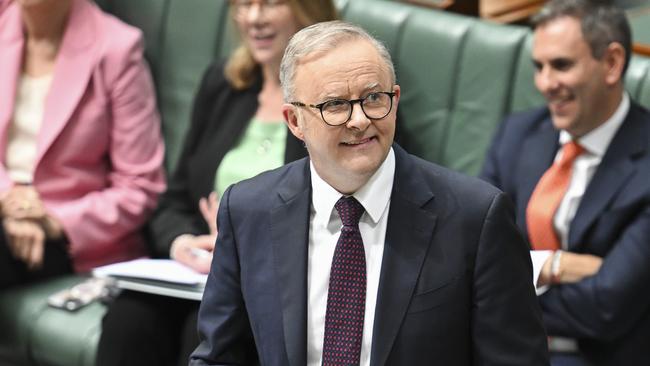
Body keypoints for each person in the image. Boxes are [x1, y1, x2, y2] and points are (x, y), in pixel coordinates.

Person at [190, 20, 549, 366]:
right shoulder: (248, 210)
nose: (359, 120)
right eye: (334, 105)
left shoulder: (476, 218)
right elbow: (220, 355)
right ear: (295, 121)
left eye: (373, 98)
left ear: (394, 99)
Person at [96, 1, 338, 365]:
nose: (253, 18)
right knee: (129, 319)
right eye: (244, 4)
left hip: (273, 283)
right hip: (198, 274)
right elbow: (175, 198)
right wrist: (182, 244)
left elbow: (345, 217)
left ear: (308, 8)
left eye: (270, 3)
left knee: (206, 330)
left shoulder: (338, 102)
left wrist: (238, 243)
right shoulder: (224, 82)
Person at [480, 1, 650, 365]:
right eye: (538, 67)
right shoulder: (518, 134)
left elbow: (608, 305)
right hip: (500, 345)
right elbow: (474, 254)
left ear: (612, 63)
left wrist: (503, 295)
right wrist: (556, 265)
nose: (545, 83)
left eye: (561, 65)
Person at [0, 0, 165, 288]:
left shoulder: (117, 49)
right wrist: (9, 202)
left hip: (68, 237)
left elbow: (140, 186)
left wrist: (53, 221)